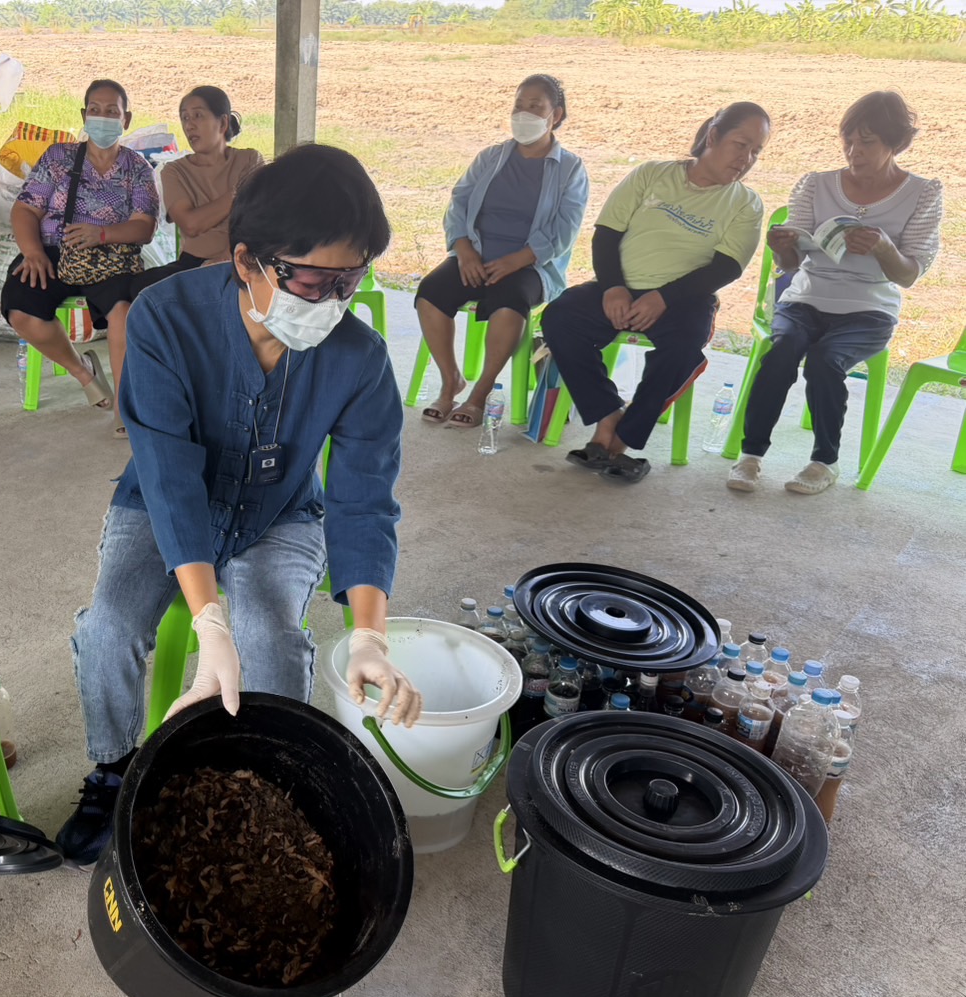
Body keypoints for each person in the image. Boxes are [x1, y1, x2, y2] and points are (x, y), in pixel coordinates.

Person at [57, 144, 424, 866]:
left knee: (272, 640)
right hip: (161, 501)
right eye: (312, 281)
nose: (331, 303)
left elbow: (363, 499)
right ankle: (113, 769)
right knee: (108, 627)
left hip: (279, 511)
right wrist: (207, 618)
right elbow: (168, 475)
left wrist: (369, 637)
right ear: (247, 260)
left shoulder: (359, 357)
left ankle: (267, 784)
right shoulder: (165, 317)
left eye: (350, 280)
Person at [728, 92, 943, 495]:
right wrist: (782, 247)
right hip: (805, 298)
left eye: (867, 142)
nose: (853, 151)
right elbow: (792, 264)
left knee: (826, 360)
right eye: (848, 140)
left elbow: (909, 275)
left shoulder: (924, 193)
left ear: (896, 143)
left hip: (870, 309)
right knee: (781, 351)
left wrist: (883, 248)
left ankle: (824, 462)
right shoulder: (816, 184)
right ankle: (750, 456)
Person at [544, 102, 769, 483]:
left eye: (756, 152)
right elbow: (607, 234)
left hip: (684, 300)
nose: (746, 159)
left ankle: (622, 439)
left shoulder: (745, 203)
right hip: (620, 284)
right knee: (560, 318)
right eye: (740, 145)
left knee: (683, 348)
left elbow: (727, 266)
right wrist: (613, 287)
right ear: (713, 136)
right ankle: (607, 414)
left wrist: (663, 297)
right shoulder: (651, 174)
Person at [417, 74, 589, 428]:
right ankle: (451, 381)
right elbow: (458, 204)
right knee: (431, 292)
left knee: (510, 301)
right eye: (518, 105)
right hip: (476, 256)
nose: (523, 114)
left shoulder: (570, 169)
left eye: (535, 107)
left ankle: (480, 393)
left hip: (530, 266)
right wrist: (464, 249)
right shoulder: (490, 158)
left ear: (555, 115)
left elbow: (565, 229)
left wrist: (519, 259)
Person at [1, 79, 158, 430]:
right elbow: (25, 209)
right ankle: (85, 374)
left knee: (123, 312)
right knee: (22, 308)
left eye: (112, 111)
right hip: (55, 253)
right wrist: (33, 252)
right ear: (84, 115)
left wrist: (102, 234)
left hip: (112, 258)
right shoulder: (59, 157)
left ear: (126, 119)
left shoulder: (137, 169)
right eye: (95, 110)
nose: (103, 118)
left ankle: (124, 410)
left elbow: (144, 227)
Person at [131, 85, 264, 294]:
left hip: (243, 259)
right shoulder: (174, 171)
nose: (189, 125)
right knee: (139, 288)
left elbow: (258, 220)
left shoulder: (249, 160)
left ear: (223, 123)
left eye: (198, 116)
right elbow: (191, 224)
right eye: (184, 118)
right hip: (193, 263)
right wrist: (236, 194)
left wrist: (226, 258)